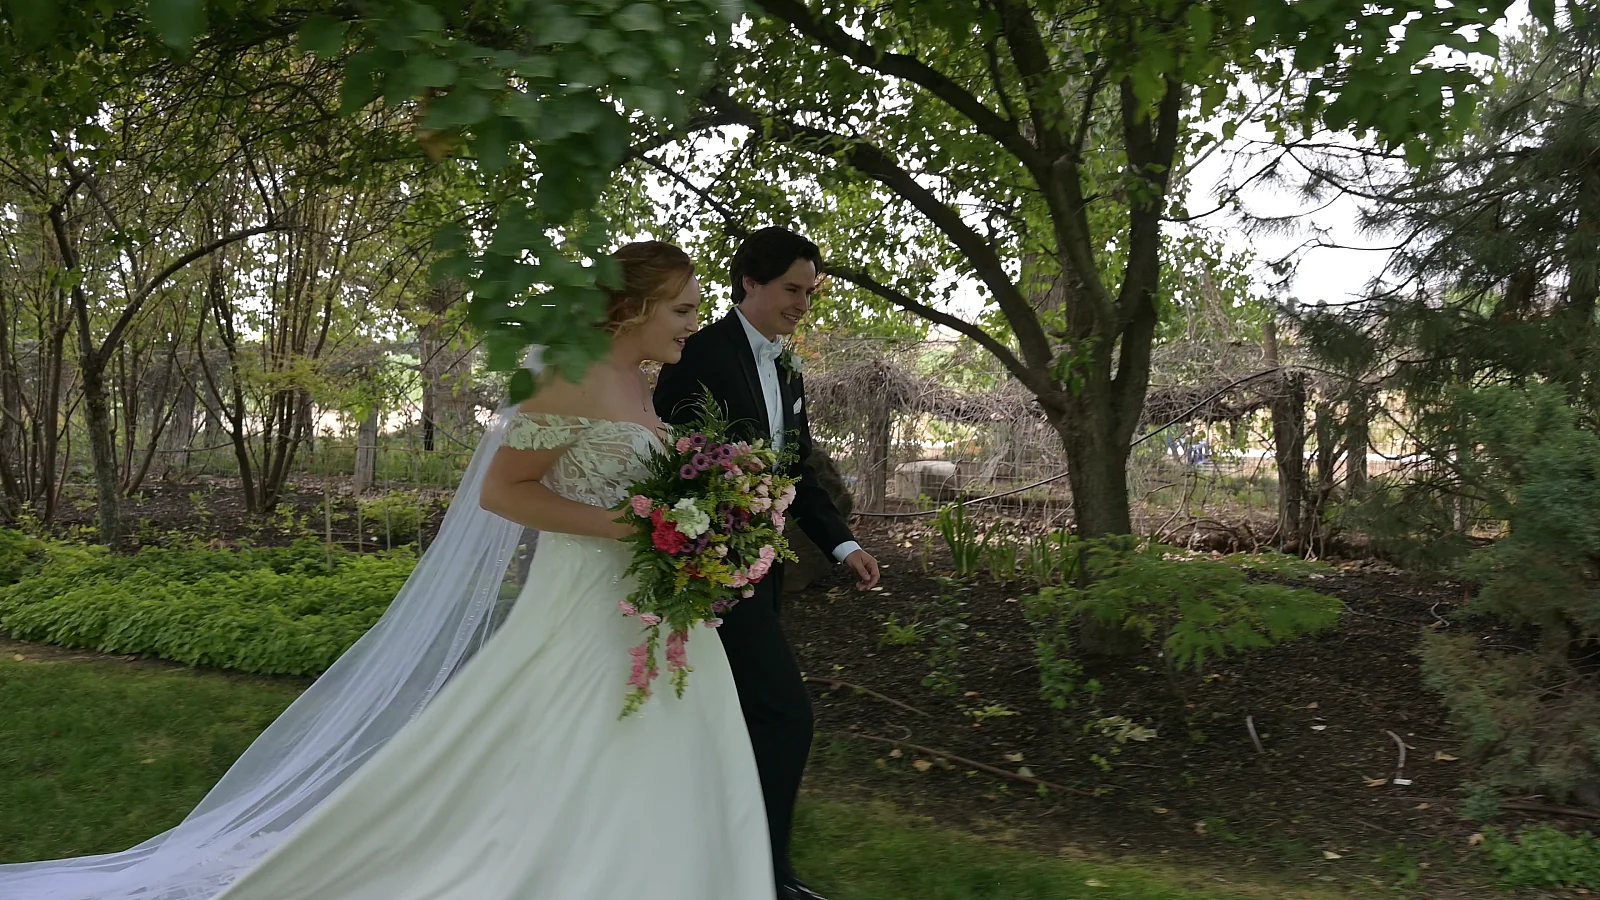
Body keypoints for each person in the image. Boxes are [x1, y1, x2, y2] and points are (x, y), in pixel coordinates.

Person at [0, 242, 775, 900]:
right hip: (584, 604)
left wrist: (698, 529)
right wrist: (637, 528)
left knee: (648, 741)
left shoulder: (640, 382)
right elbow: (504, 491)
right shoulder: (568, 380)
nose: (692, 323)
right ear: (634, 306)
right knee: (575, 733)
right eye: (682, 309)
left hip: (644, 605)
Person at [655, 226, 881, 900]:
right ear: (749, 283)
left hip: (762, 570)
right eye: (792, 289)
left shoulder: (786, 367)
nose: (802, 304)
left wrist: (843, 544)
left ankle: (729, 859)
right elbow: (666, 460)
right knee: (786, 716)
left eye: (810, 293)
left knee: (742, 718)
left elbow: (796, 470)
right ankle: (767, 875)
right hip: (708, 575)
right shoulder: (697, 353)